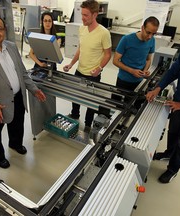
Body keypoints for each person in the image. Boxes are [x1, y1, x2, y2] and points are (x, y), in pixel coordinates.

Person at [0, 15, 46, 169]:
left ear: (4, 30)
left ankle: (15, 144)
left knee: (18, 124)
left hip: (18, 96)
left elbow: (23, 73)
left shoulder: (11, 46)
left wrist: (33, 89)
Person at [146, 43, 180, 183]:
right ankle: (169, 153)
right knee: (173, 130)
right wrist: (158, 88)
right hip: (179, 98)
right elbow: (174, 71)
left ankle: (173, 170)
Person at [63, 0, 112, 132]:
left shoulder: (103, 33)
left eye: (86, 15)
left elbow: (108, 54)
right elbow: (81, 48)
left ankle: (88, 125)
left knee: (91, 102)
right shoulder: (81, 28)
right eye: (82, 14)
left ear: (95, 15)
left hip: (93, 75)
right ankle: (74, 114)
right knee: (75, 96)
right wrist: (71, 64)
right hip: (79, 70)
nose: (82, 18)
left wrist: (99, 69)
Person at [112, 16, 159, 104]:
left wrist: (145, 71)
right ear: (142, 28)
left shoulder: (152, 40)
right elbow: (115, 61)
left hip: (139, 82)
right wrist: (132, 71)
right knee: (117, 106)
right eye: (148, 32)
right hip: (123, 81)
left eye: (153, 34)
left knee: (132, 107)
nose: (150, 36)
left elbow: (148, 59)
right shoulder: (126, 39)